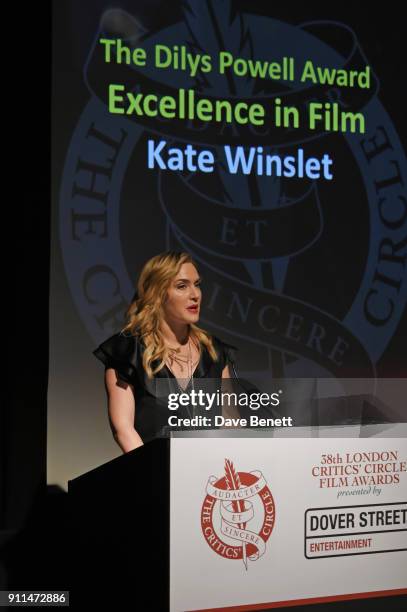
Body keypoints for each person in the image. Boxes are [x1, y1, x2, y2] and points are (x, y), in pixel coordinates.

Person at [92, 250, 241, 453]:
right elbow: (124, 430)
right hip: (155, 475)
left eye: (197, 285)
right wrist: (157, 473)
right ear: (158, 294)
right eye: (182, 286)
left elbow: (230, 423)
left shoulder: (214, 351)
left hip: (209, 475)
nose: (195, 294)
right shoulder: (127, 352)